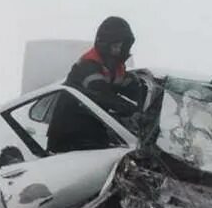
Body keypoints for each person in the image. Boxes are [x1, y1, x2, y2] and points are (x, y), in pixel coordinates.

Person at [46, 16, 143, 153]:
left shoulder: (115, 67)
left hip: (91, 130)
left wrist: (143, 94)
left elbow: (128, 86)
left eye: (122, 45)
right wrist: (132, 111)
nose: (119, 49)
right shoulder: (88, 66)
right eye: (116, 45)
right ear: (105, 43)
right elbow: (101, 95)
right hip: (68, 135)